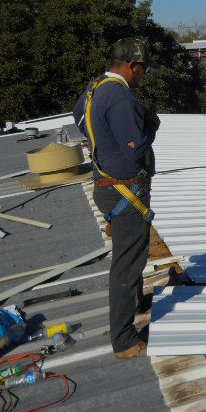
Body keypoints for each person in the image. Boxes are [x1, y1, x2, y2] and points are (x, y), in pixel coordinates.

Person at [73, 38, 160, 359]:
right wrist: (150, 125)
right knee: (127, 263)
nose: (143, 75)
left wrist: (104, 143)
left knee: (131, 251)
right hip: (124, 189)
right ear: (132, 65)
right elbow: (134, 147)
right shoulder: (120, 97)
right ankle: (124, 340)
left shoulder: (95, 88)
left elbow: (78, 117)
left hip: (106, 185)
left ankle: (136, 301)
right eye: (143, 69)